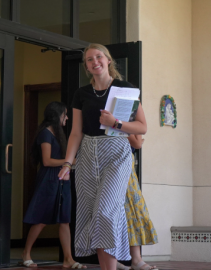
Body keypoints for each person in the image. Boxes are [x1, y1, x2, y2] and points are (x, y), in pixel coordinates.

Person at [58, 43, 148, 270]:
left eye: (99, 57)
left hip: (117, 151)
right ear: (86, 66)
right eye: (89, 59)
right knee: (90, 213)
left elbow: (142, 126)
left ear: (108, 60)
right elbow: (76, 132)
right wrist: (68, 163)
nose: (94, 61)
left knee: (105, 211)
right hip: (88, 153)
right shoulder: (81, 94)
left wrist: (115, 123)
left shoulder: (125, 89)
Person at [21, 102, 86, 269]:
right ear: (58, 115)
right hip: (49, 179)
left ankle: (68, 259)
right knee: (41, 218)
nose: (67, 117)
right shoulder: (45, 134)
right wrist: (69, 162)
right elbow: (47, 161)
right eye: (65, 114)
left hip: (62, 178)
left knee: (64, 219)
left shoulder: (59, 134)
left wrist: (68, 163)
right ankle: (26, 254)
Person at [117, 134, 158, 270]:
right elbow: (138, 142)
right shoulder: (122, 121)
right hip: (116, 165)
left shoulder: (127, 121)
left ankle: (135, 259)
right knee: (122, 211)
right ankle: (126, 259)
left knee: (133, 210)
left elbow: (138, 141)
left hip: (125, 166)